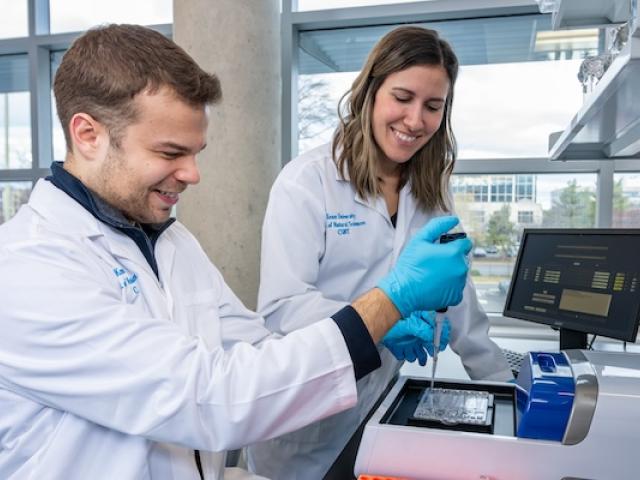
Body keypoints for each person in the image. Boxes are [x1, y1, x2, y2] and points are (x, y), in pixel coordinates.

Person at [0, 25, 472, 480]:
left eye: (195, 152)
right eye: (170, 153)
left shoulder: (170, 242)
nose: (192, 174)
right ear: (87, 135)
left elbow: (260, 350)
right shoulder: (28, 270)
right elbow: (209, 397)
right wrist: (389, 302)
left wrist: (378, 328)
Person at [246, 26, 512, 479]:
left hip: (381, 407)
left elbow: (460, 298)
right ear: (370, 92)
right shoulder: (308, 181)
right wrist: (382, 321)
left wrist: (505, 390)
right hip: (308, 415)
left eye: (433, 106)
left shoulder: (432, 193)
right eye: (402, 98)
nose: (415, 120)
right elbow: (282, 308)